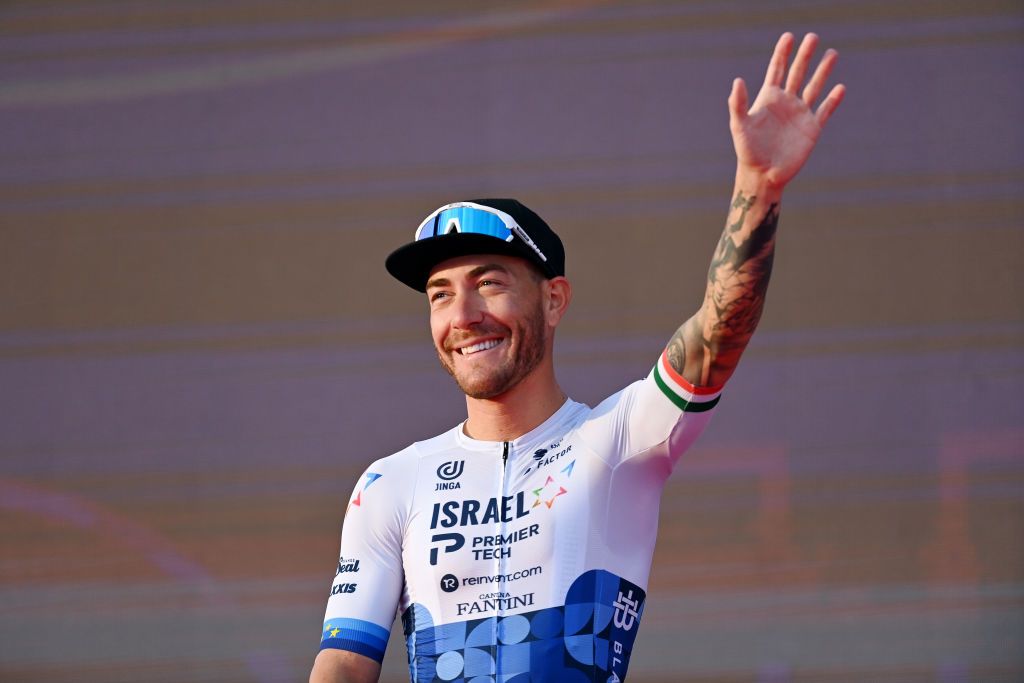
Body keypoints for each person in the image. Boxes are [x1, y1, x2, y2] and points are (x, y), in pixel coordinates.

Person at [310, 32, 845, 683]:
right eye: (440, 294)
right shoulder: (390, 484)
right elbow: (342, 663)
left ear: (554, 299)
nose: (463, 314)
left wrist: (757, 190)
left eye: (490, 281)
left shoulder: (617, 438)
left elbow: (718, 331)